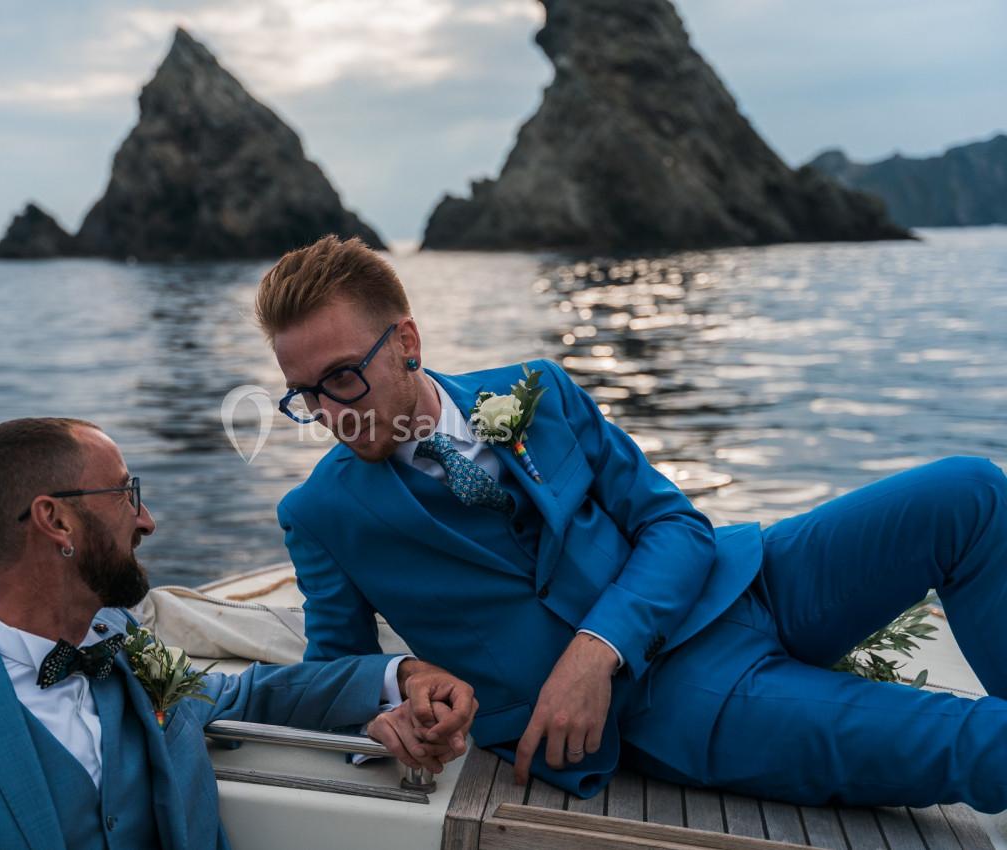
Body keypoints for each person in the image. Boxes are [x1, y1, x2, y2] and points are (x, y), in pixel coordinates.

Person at [256, 235, 1007, 810]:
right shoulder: (321, 513)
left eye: (343, 378)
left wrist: (594, 649)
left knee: (972, 492)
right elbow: (333, 669)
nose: (330, 413)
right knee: (976, 742)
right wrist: (390, 711)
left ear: (408, 345)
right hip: (672, 700)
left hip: (747, 578)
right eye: (304, 396)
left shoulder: (538, 389)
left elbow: (676, 525)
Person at [0, 417, 475, 850]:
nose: (148, 521)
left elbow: (246, 697)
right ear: (56, 522)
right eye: (127, 495)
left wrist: (402, 676)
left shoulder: (125, 646)